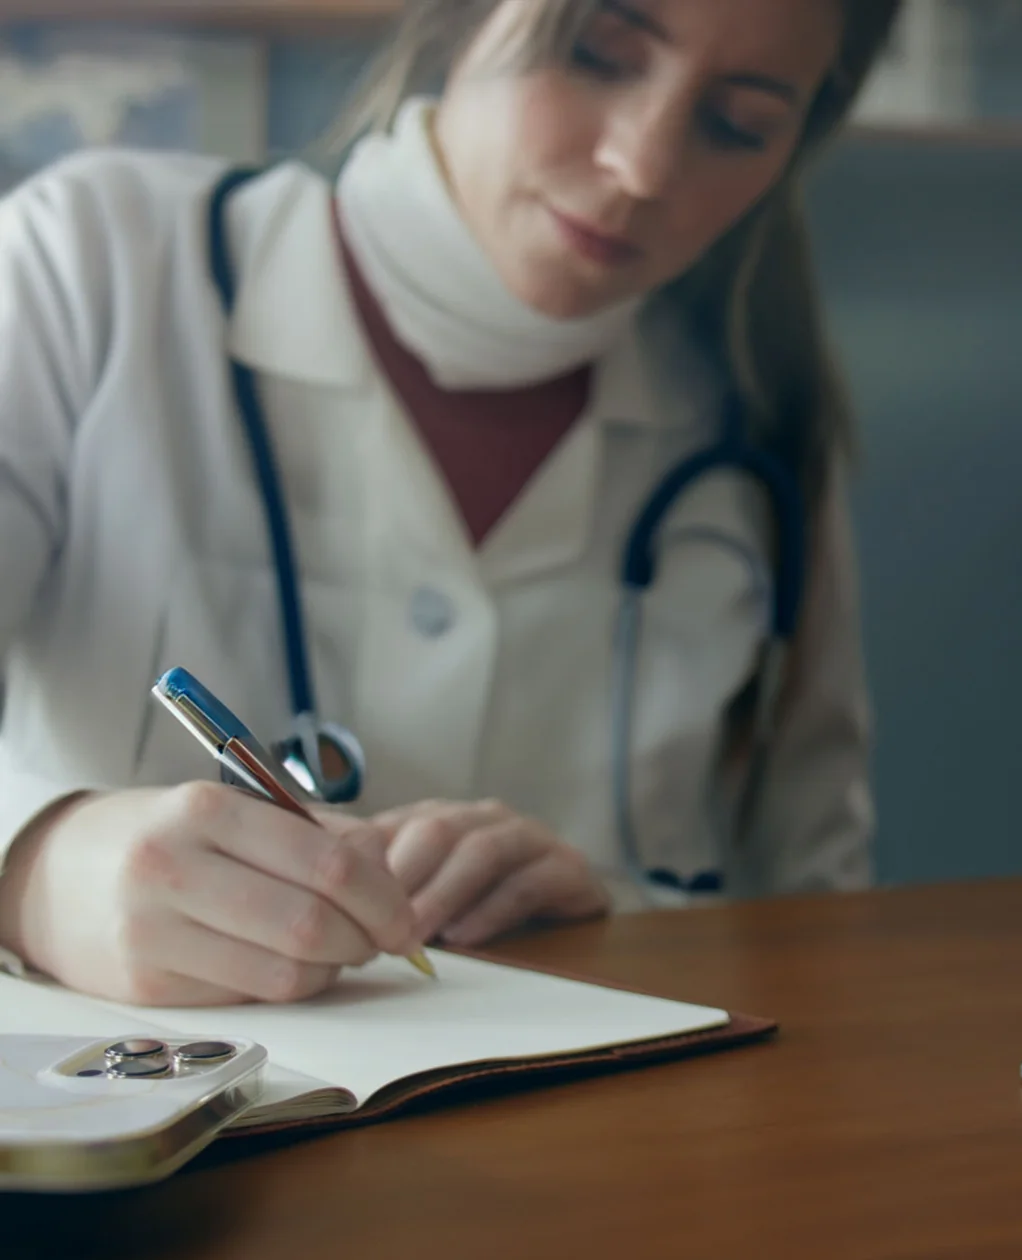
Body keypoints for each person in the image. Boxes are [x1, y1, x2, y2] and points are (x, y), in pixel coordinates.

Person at [0, 0, 900, 1008]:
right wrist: (34, 867)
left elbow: (819, 932)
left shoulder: (756, 425)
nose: (643, 168)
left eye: (737, 123)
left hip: (609, 1144)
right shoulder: (88, 263)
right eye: (599, 56)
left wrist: (621, 918)